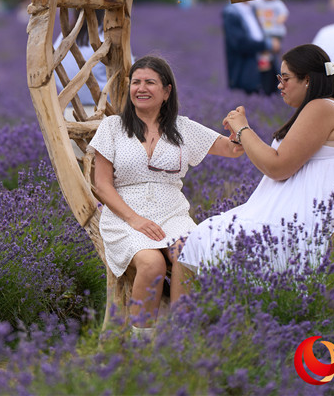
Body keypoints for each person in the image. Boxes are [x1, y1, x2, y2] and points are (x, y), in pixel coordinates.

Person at [178, 44, 334, 276]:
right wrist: (243, 137)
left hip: (304, 217)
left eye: (285, 78)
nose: (279, 85)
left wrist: (244, 129)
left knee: (204, 238)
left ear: (307, 79)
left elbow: (277, 167)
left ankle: (181, 311)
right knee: (201, 238)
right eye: (279, 77)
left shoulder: (321, 107)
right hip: (297, 210)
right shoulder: (320, 107)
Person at [89, 55, 241, 334]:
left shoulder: (182, 128)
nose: (141, 88)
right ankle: (142, 346)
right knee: (151, 263)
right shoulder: (112, 127)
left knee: (188, 253)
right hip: (125, 214)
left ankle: (181, 337)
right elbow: (102, 185)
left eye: (150, 82)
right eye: (136, 82)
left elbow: (232, 149)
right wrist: (134, 219)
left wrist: (239, 127)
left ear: (167, 91)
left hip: (172, 212)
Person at [222, 2, 268, 94]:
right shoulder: (231, 13)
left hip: (263, 64)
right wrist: (267, 44)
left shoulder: (254, 9)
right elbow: (240, 44)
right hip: (245, 70)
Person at [251, 0, 289, 95]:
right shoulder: (258, 2)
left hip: (274, 33)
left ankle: (268, 85)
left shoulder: (277, 3)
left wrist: (280, 19)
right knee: (267, 58)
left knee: (267, 57)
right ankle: (269, 84)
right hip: (264, 34)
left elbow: (284, 14)